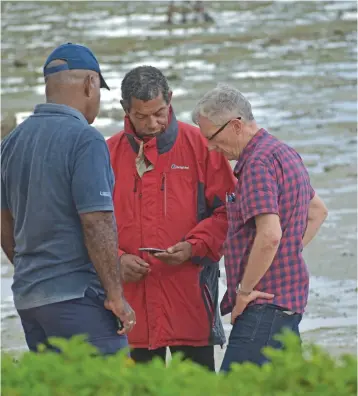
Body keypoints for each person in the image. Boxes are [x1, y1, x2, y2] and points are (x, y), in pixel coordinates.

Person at [1, 43, 135, 355]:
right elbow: (96, 221)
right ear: (91, 84)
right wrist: (115, 295)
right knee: (110, 387)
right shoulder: (85, 138)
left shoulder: (11, 143)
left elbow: (3, 220)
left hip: (29, 299)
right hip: (78, 298)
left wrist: (27, 267)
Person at [107, 66, 236, 371]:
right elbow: (88, 225)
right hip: (130, 309)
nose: (153, 123)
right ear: (125, 109)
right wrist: (116, 260)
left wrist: (195, 245)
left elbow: (230, 211)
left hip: (190, 299)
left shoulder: (202, 146)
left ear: (170, 100)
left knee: (196, 390)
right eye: (142, 116)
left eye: (160, 113)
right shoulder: (104, 154)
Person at [192, 84, 328, 371]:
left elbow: (269, 235)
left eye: (212, 138)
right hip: (288, 304)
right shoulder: (284, 153)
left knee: (234, 390)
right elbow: (317, 212)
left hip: (262, 305)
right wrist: (286, 253)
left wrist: (244, 292)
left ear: (236, 125)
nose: (211, 148)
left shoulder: (255, 164)